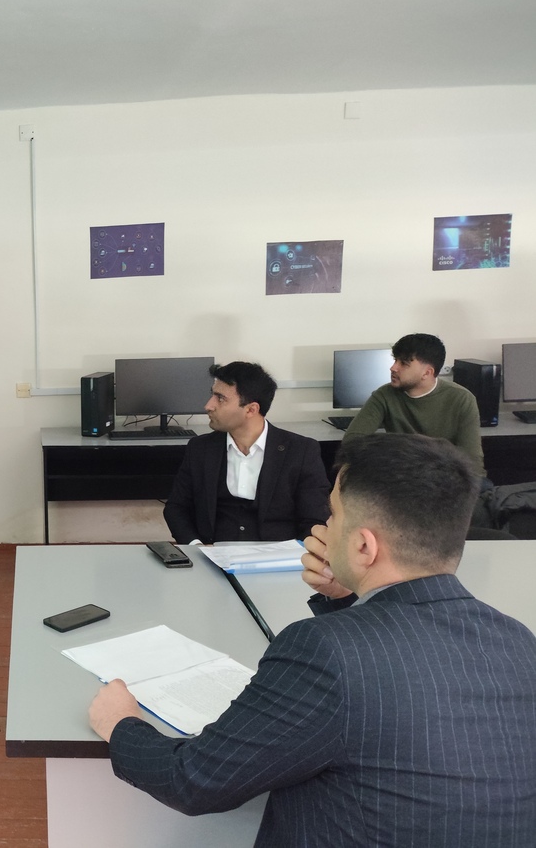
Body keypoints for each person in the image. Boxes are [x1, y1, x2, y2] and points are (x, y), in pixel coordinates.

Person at [89, 433, 536, 846]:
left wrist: (122, 725)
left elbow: (194, 781)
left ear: (364, 546)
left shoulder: (324, 651)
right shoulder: (518, 641)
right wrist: (350, 596)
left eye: (334, 514)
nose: (323, 527)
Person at [163, 361, 330, 545]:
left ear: (251, 410)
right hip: (212, 553)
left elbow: (314, 519)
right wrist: (197, 547)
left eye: (220, 398)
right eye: (212, 395)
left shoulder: (301, 451)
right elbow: (176, 508)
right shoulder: (200, 448)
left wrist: (293, 555)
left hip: (277, 556)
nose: (208, 406)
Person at [344, 332, 485, 477]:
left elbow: (472, 461)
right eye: (395, 360)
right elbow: (352, 441)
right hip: (401, 476)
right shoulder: (384, 395)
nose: (393, 368)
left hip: (445, 479)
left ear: (427, 373)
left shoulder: (462, 399)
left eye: (404, 363)